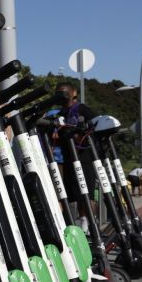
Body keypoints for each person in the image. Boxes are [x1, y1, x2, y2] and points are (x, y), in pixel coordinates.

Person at [54, 82, 98, 233]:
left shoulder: (81, 109)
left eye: (65, 92)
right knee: (75, 192)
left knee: (87, 191)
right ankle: (82, 221)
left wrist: (81, 135)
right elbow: (56, 134)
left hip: (83, 155)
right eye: (59, 92)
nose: (62, 95)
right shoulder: (60, 114)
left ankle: (90, 223)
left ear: (74, 93)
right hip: (68, 157)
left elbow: (96, 124)